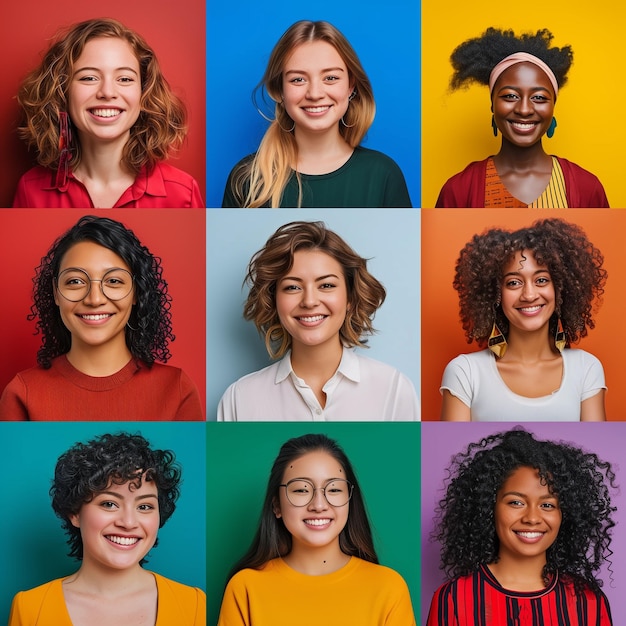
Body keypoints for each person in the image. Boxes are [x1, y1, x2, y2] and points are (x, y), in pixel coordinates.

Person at [0, 215, 203, 420]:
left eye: (113, 280)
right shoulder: (22, 393)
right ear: (56, 292)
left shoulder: (176, 390)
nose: (94, 299)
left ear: (136, 293)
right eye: (75, 281)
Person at [217, 221, 419, 420]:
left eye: (327, 285)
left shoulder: (394, 389)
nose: (309, 301)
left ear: (350, 297)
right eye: (292, 287)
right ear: (274, 300)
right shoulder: (240, 399)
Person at [8, 432, 205, 625]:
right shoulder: (29, 608)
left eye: (144, 507)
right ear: (75, 513)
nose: (128, 522)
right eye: (109, 504)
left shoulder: (194, 604)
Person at [217, 433, 416, 625]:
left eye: (334, 489)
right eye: (302, 490)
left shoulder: (389, 588)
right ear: (276, 505)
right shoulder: (245, 588)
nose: (319, 505)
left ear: (349, 501)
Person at [426, 428, 615, 626]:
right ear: (489, 507)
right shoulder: (454, 599)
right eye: (516, 502)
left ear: (564, 515)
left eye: (547, 505)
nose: (532, 518)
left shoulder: (588, 601)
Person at [13, 17, 204, 208]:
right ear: (62, 91)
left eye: (124, 79)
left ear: (144, 92)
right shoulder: (31, 190)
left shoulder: (182, 193)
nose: (107, 92)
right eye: (89, 77)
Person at [222, 20, 411, 208]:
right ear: (280, 90)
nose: (315, 94)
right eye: (298, 79)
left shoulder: (384, 174)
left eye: (330, 78)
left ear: (350, 85)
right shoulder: (246, 178)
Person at [440, 218, 607, 421]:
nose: (529, 295)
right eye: (513, 283)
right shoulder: (465, 372)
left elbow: (593, 449)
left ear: (561, 288)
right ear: (495, 293)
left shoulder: (586, 368)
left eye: (542, 280)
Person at [435, 28, 609, 208]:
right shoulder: (457, 190)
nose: (524, 109)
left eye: (539, 97)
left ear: (552, 107)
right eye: (510, 96)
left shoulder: (588, 188)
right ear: (493, 106)